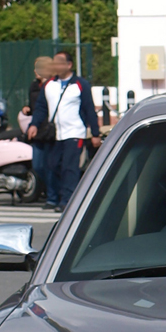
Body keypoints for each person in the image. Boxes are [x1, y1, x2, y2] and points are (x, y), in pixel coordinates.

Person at [28, 51, 102, 212]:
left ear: (69, 65)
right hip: (55, 133)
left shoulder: (80, 84)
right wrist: (34, 124)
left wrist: (95, 133)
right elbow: (41, 107)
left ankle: (67, 200)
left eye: (60, 62)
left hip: (74, 132)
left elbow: (89, 109)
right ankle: (53, 198)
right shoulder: (49, 85)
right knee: (52, 166)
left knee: (70, 168)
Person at [21, 56, 55, 194]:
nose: (36, 71)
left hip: (50, 130)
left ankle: (52, 193)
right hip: (37, 130)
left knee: (51, 165)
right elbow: (35, 106)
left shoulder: (53, 86)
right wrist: (27, 108)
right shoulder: (34, 86)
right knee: (38, 165)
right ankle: (46, 189)